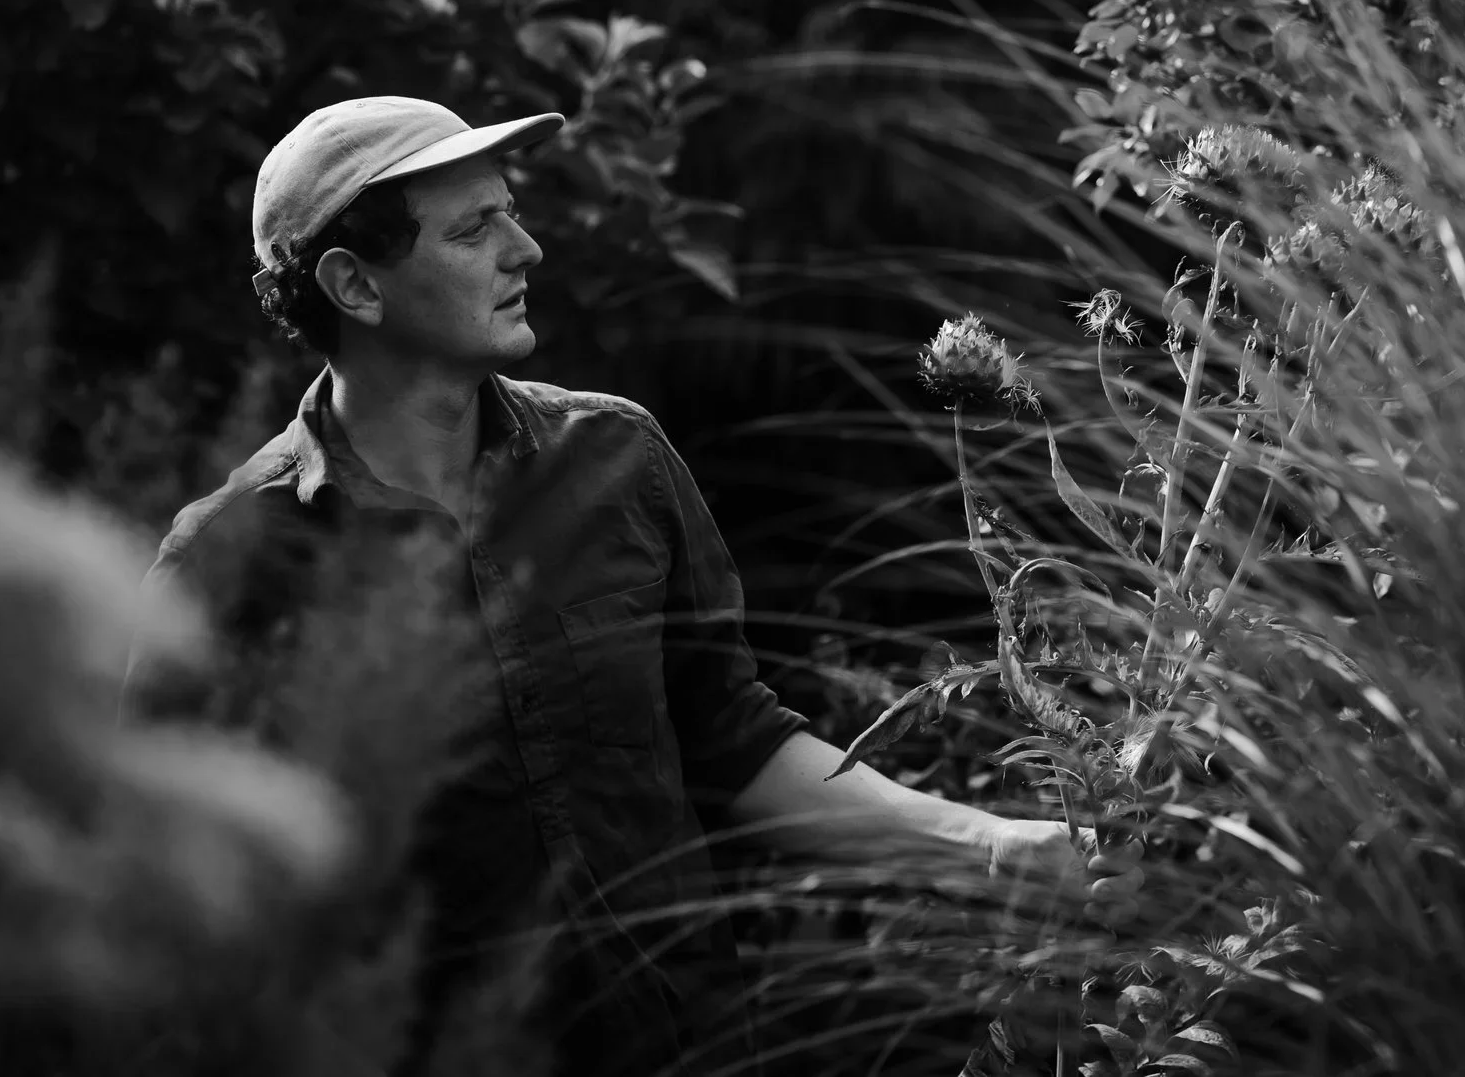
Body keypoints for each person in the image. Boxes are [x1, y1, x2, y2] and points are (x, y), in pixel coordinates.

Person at [125, 96, 1138, 1075]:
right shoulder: (237, 556)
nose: (526, 249)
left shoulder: (615, 456)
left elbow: (733, 742)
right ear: (354, 284)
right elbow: (166, 897)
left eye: (512, 213)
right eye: (477, 228)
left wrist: (996, 851)